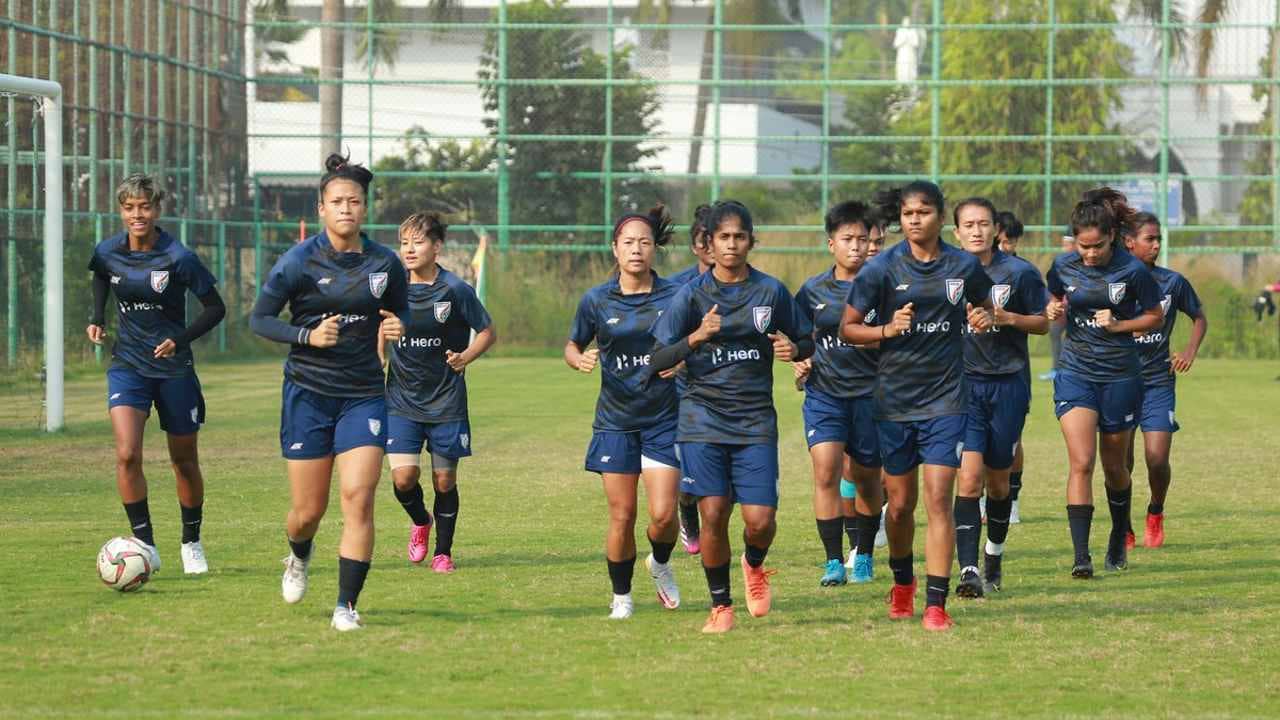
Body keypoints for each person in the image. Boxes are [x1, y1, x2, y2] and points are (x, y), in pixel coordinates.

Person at [249, 153, 409, 631]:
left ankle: (346, 606)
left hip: (363, 394)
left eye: (354, 201)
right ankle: (298, 554)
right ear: (321, 208)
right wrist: (307, 336)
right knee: (306, 513)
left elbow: (400, 314)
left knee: (359, 496)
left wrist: (400, 325)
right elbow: (259, 319)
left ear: (365, 207)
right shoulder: (297, 262)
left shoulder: (385, 263)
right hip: (308, 395)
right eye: (337, 201)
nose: (346, 209)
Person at [650, 200, 814, 633]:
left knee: (760, 521)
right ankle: (720, 606)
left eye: (740, 236)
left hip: (755, 421)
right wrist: (696, 336)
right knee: (715, 512)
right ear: (710, 243)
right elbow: (658, 357)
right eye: (724, 237)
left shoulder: (771, 292)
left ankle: (754, 564)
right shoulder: (691, 295)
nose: (732, 244)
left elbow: (807, 339)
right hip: (701, 419)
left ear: (751, 241)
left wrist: (794, 350)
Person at [841, 181, 994, 631]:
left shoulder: (962, 265)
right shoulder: (881, 269)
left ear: (939, 217)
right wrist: (887, 329)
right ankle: (903, 584)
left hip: (947, 400)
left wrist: (983, 316)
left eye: (923, 212)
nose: (914, 220)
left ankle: (935, 604)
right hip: (894, 402)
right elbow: (849, 328)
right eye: (908, 213)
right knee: (902, 505)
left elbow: (985, 304)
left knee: (938, 501)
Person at [87, 173, 226, 576]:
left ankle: (191, 542)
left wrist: (180, 340)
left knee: (183, 461)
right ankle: (144, 544)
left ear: (157, 209)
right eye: (129, 208)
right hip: (128, 365)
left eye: (144, 207)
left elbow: (215, 308)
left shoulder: (178, 257)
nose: (137, 215)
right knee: (127, 454)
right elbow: (100, 274)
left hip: (173, 369)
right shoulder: (108, 251)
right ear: (121, 211)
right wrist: (97, 317)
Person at [566, 204, 684, 620]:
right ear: (615, 248)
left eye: (645, 242)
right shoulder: (596, 300)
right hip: (615, 421)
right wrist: (577, 359)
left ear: (655, 250)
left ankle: (661, 563)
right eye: (629, 242)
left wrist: (685, 360)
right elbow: (572, 344)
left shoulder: (675, 296)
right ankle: (622, 598)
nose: (637, 249)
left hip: (664, 418)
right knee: (622, 513)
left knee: (664, 515)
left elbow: (696, 343)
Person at [1045, 188, 1162, 579]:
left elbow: (1154, 317)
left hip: (1120, 375)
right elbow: (1054, 297)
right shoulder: (1063, 266)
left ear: (1111, 236)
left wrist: (1119, 325)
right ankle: (1081, 556)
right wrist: (1052, 307)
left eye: (1097, 246)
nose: (1090, 254)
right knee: (1081, 462)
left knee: (1115, 467)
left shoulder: (1132, 272)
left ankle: (1117, 533)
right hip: (1076, 372)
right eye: (1083, 246)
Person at [381, 212, 496, 573]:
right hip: (400, 400)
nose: (409, 249)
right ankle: (421, 521)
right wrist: (378, 358)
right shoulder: (391, 287)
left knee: (444, 479)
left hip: (446, 401)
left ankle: (443, 553)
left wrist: (466, 357)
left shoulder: (455, 290)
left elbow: (488, 331)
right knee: (403, 479)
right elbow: (379, 327)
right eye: (404, 242)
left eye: (418, 241)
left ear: (437, 247)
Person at [952, 198, 1047, 597]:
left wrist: (1005, 318)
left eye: (983, 223)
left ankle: (994, 555)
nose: (976, 230)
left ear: (996, 230)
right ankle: (969, 571)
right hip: (962, 387)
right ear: (956, 232)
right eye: (968, 225)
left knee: (998, 484)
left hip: (1008, 385)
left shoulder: (1019, 273)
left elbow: (1043, 322)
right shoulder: (945, 272)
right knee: (969, 479)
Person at [793, 200, 884, 586]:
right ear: (831, 243)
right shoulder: (813, 290)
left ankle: (862, 553)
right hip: (825, 396)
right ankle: (832, 562)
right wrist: (800, 360)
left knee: (866, 480)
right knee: (826, 471)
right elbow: (798, 338)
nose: (856, 246)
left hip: (872, 397)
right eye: (848, 239)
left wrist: (878, 344)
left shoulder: (885, 287)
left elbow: (905, 337)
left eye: (863, 239)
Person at [1122, 213, 1207, 549]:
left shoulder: (1172, 282)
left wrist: (1188, 350)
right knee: (1120, 463)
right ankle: (1122, 525)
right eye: (1149, 239)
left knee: (1156, 458)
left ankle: (1155, 511)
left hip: (1158, 381)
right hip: (1120, 382)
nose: (1156, 245)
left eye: (1159, 239)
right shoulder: (1113, 281)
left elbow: (1198, 317)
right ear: (1129, 241)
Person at [668, 204, 714, 555]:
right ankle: (687, 510)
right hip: (685, 394)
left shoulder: (750, 284)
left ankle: (716, 533)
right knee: (689, 474)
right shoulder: (678, 289)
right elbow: (661, 341)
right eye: (705, 241)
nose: (713, 248)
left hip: (732, 393)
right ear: (696, 246)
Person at [1041, 231, 1076, 381]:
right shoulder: (1061, 263)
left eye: (1068, 244)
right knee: (1055, 333)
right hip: (1063, 308)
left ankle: (1068, 369)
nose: (1065, 248)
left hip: (1077, 310)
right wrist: (1053, 304)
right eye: (1064, 245)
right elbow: (1055, 290)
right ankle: (1056, 369)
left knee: (1073, 337)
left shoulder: (1086, 262)